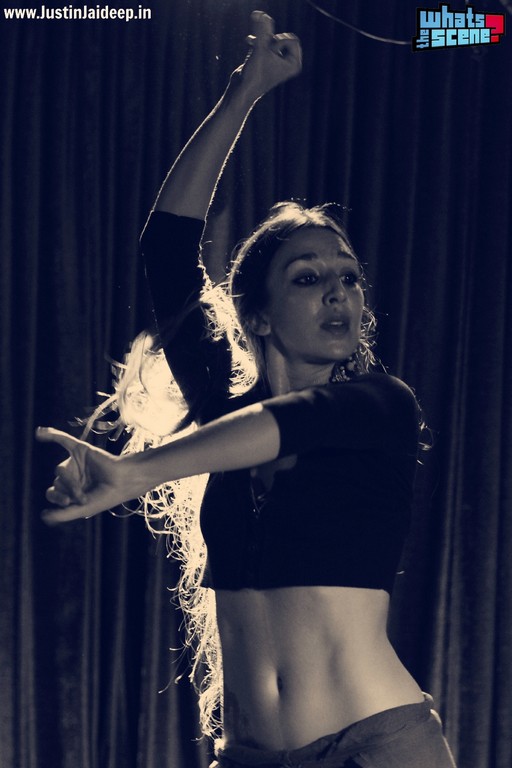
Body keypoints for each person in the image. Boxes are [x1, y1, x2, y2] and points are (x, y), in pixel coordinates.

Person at [37, 11, 457, 768]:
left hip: (376, 746)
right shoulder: (225, 406)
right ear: (256, 314)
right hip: (250, 755)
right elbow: (166, 250)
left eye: (348, 278)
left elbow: (293, 422)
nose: (338, 292)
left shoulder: (379, 407)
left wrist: (135, 472)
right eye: (308, 278)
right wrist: (247, 90)